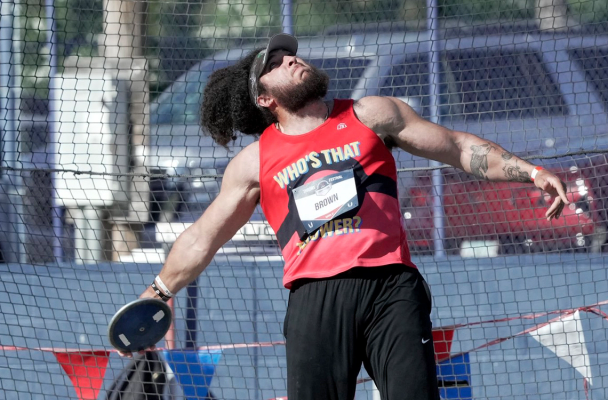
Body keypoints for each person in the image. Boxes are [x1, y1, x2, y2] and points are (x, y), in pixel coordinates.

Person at [128, 33, 570, 400]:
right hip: (315, 300)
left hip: (391, 288)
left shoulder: (370, 115)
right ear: (264, 97)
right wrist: (158, 292)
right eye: (278, 63)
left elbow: (456, 147)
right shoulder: (253, 161)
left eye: (291, 54)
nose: (293, 60)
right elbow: (204, 236)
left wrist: (530, 172)